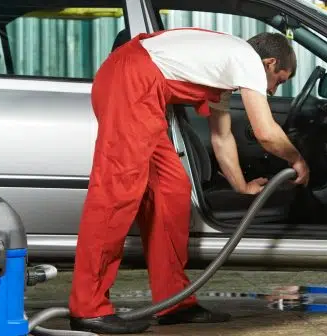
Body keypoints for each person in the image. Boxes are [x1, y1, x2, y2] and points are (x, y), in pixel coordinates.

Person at [68, 27, 310, 334]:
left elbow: (222, 137)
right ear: (270, 64)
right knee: (117, 195)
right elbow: (265, 132)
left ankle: (173, 303)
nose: (274, 91)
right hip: (130, 82)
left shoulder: (225, 70)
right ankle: (88, 307)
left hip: (143, 91)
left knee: (171, 188)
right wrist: (297, 159)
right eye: (280, 80)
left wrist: (241, 186)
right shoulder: (247, 58)